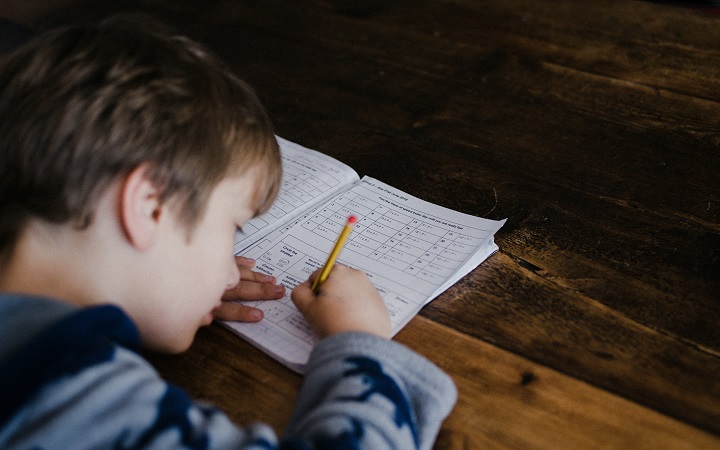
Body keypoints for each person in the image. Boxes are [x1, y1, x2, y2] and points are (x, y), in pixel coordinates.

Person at [0, 17, 457, 450]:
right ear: (150, 206)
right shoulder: (69, 394)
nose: (228, 271)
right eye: (233, 227)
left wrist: (161, 288)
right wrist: (361, 343)